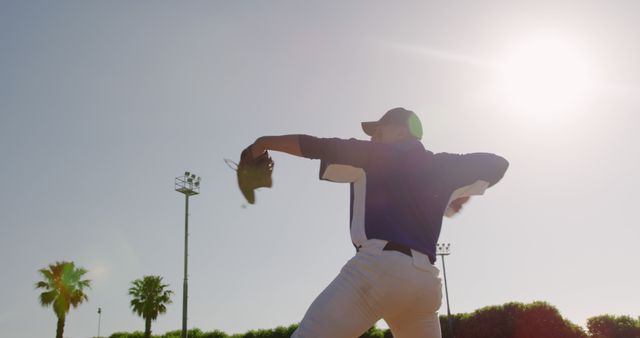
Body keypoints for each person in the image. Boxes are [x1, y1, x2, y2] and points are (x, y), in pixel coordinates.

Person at [246, 107, 509, 338]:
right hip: (425, 285)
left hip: (379, 271)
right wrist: (460, 194)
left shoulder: (375, 154)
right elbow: (497, 164)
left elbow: (318, 146)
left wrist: (261, 143)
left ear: (399, 132)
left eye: (379, 131)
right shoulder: (441, 165)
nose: (372, 138)